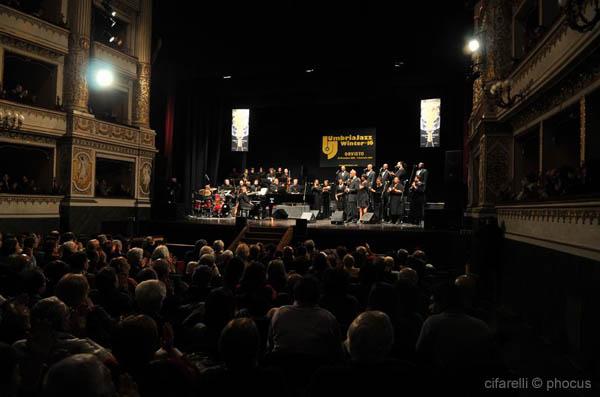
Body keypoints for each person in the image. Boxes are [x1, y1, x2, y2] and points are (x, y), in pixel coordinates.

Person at [268, 276, 341, 359]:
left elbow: (270, 344)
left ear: (294, 294)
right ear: (318, 296)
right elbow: (337, 351)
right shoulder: (328, 318)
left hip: (280, 367)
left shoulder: (279, 313)